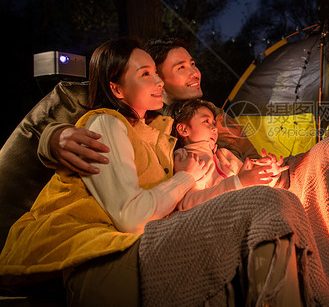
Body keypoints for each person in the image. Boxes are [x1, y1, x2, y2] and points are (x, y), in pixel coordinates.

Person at [0, 37, 310, 306]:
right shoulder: (110, 117)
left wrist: (254, 166)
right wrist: (52, 138)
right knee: (266, 205)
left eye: (192, 63)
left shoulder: (183, 124)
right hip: (115, 241)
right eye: (178, 68)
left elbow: (240, 157)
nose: (194, 72)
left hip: (176, 217)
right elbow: (134, 208)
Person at [169, 99, 287, 211]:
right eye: (206, 121)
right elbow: (188, 203)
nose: (214, 128)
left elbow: (251, 180)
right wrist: (237, 183)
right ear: (183, 129)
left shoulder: (224, 155)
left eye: (214, 123)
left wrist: (268, 172)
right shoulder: (185, 160)